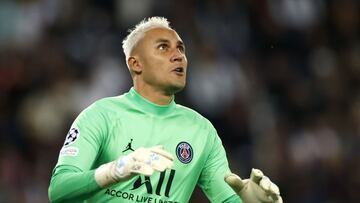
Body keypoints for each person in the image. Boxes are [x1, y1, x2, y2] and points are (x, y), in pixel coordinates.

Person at [48, 16, 282, 203]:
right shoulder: (101, 115)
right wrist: (117, 169)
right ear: (135, 63)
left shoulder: (201, 131)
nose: (178, 56)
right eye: (163, 47)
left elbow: (226, 198)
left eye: (181, 49)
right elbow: (59, 189)